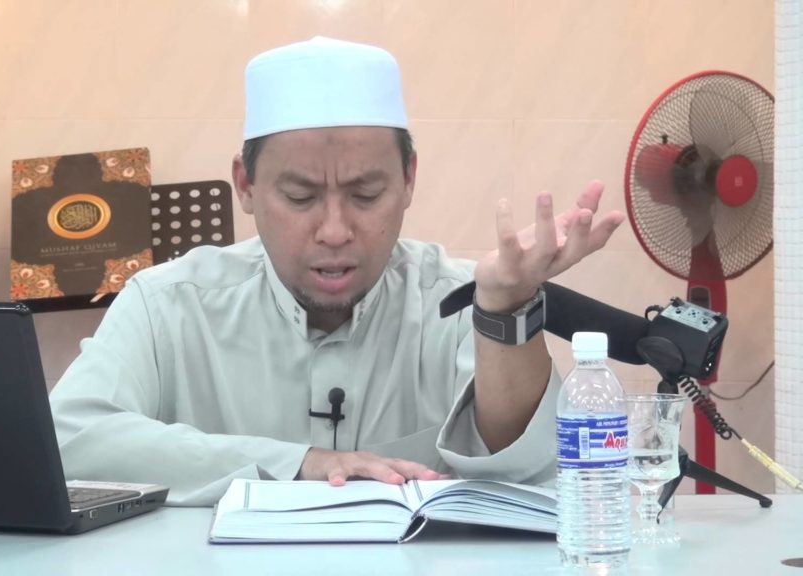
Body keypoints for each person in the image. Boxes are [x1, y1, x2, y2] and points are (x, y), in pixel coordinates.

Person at [49, 37, 624, 506]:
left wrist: (505, 311)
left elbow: (531, 470)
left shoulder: (457, 299)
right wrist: (296, 463)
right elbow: (66, 438)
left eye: (365, 194)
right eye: (300, 197)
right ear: (245, 185)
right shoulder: (169, 303)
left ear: (409, 180)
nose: (334, 230)